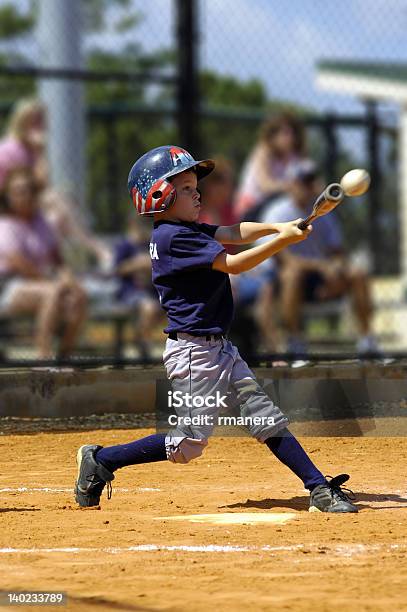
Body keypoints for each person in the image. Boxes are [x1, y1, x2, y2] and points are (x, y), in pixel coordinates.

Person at [74, 145, 358, 514]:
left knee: (265, 418)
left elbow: (232, 231)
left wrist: (277, 226)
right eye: (188, 188)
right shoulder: (171, 237)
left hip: (218, 348)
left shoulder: (185, 229)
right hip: (194, 356)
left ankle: (318, 488)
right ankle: (103, 460)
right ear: (161, 194)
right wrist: (282, 241)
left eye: (196, 187)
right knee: (188, 444)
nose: (198, 194)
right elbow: (234, 264)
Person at [253, 159, 377, 355]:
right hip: (286, 283)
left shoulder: (325, 212)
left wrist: (335, 269)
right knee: (292, 274)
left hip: (322, 278)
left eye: (311, 180)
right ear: (291, 184)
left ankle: (367, 340)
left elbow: (337, 252)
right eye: (303, 181)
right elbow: (283, 259)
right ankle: (294, 342)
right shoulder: (277, 211)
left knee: (357, 273)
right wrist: (322, 267)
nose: (307, 186)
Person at [0, 98, 110, 269]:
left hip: (30, 205)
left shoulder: (31, 149)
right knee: (55, 199)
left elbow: (41, 184)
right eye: (33, 120)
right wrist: (39, 150)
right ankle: (96, 249)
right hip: (9, 206)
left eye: (41, 120)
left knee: (56, 217)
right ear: (21, 122)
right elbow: (32, 186)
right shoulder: (11, 148)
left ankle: (68, 266)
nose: (39, 126)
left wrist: (39, 151)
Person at [0, 167, 87, 359]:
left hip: (43, 282)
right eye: (20, 191)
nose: (27, 195)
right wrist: (55, 282)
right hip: (8, 286)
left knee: (78, 296)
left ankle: (64, 357)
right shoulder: (5, 224)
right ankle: (43, 359)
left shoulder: (42, 223)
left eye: (30, 190)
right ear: (8, 196)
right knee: (53, 292)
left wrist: (69, 281)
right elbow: (19, 264)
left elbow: (57, 259)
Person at [234, 111, 306, 220]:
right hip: (252, 208)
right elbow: (265, 185)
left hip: (277, 207)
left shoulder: (295, 157)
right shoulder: (263, 152)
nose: (290, 138)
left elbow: (312, 182)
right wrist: (290, 186)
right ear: (273, 135)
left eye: (293, 133)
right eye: (285, 133)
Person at [113, 214, 163, 358]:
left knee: (170, 306)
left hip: (152, 291)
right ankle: (143, 345)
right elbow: (117, 269)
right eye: (140, 222)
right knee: (149, 307)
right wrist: (137, 264)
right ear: (132, 224)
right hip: (130, 292)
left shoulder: (151, 244)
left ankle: (139, 339)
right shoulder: (125, 245)